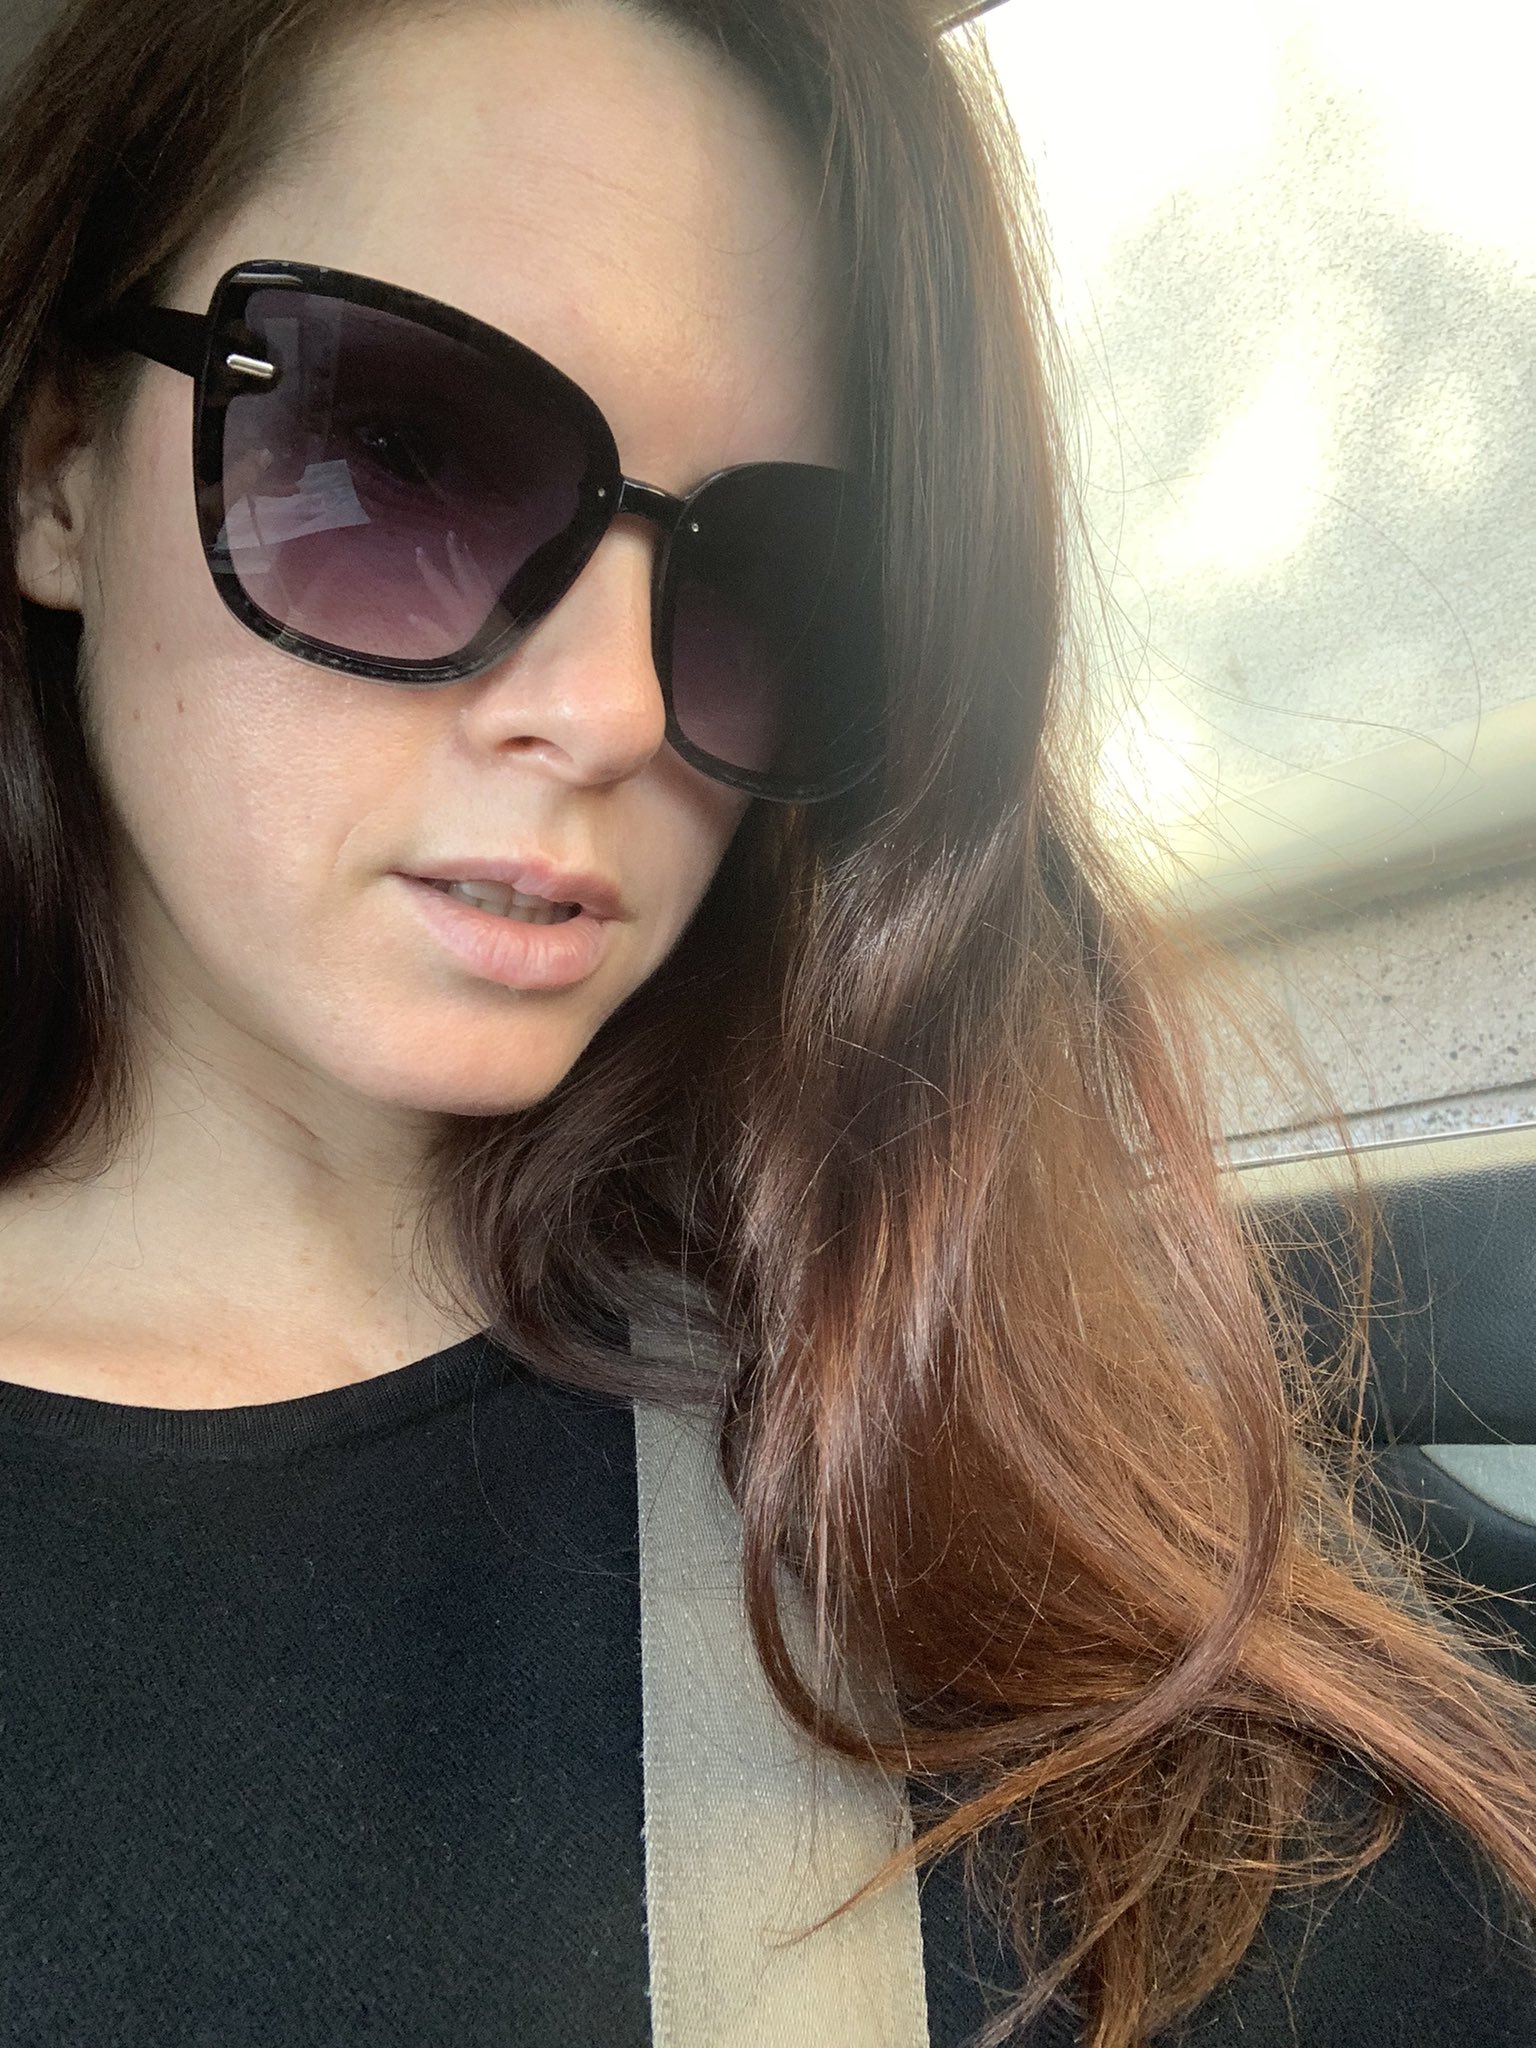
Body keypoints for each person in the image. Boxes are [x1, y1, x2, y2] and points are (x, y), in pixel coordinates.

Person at [1, 0, 1534, 2042]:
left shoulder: (930, 1382)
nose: (613, 707)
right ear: (56, 469)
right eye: (403, 451)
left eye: (776, 576)